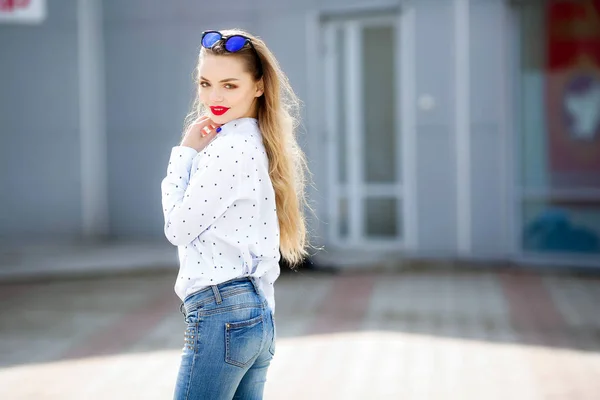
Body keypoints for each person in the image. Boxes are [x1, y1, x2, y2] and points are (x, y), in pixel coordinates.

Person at [161, 28, 310, 399]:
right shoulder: (257, 140)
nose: (214, 97)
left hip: (220, 314)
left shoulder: (228, 150)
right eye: (206, 83)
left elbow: (177, 228)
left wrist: (183, 154)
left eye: (230, 85)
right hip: (255, 314)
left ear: (258, 86)